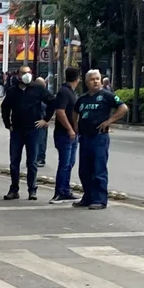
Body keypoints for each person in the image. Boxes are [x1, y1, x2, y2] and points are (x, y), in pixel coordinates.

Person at [74, 68, 128, 209]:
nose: (96, 82)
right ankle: (88, 197)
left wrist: (109, 121)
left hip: (99, 137)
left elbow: (123, 108)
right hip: (84, 137)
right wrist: (75, 127)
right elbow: (75, 112)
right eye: (92, 79)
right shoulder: (82, 98)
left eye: (97, 79)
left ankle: (100, 200)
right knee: (84, 170)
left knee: (99, 169)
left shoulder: (107, 95)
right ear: (87, 82)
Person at [0, 65, 54, 200]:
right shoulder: (13, 90)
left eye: (29, 72)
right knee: (14, 161)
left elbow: (52, 102)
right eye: (24, 73)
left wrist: (45, 119)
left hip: (33, 129)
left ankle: (32, 189)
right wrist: (8, 124)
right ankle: (14, 189)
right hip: (17, 130)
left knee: (32, 162)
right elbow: (5, 107)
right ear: (18, 75)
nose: (27, 75)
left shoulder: (37, 88)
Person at [51, 66, 81, 203]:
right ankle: (59, 192)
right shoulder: (64, 92)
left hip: (72, 134)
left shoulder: (70, 92)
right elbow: (60, 112)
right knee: (64, 163)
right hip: (64, 134)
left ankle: (65, 190)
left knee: (70, 163)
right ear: (78, 79)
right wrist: (69, 129)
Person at [34, 75, 50, 166]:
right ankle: (38, 158)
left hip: (41, 120)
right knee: (40, 141)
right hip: (40, 120)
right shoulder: (40, 94)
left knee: (41, 141)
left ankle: (40, 158)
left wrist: (46, 119)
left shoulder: (43, 95)